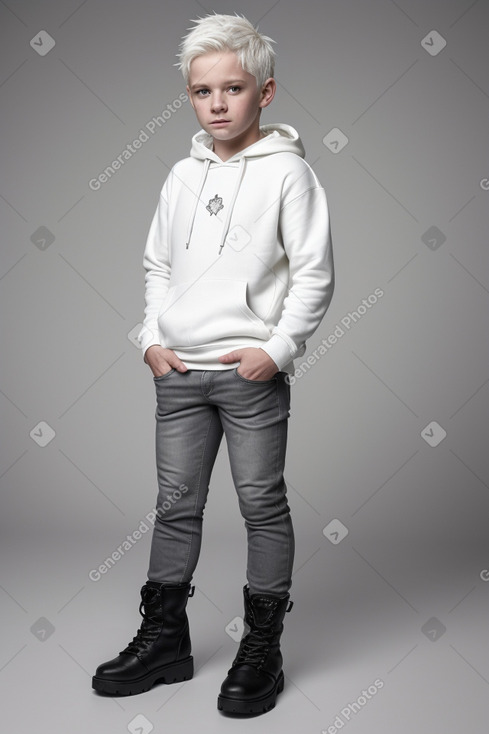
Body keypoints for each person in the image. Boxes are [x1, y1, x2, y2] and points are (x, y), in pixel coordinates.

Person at [92, 12, 334, 715]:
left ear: (265, 91)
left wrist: (277, 349)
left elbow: (314, 273)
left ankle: (263, 647)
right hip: (180, 375)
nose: (218, 103)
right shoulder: (180, 174)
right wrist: (149, 340)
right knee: (175, 506)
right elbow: (157, 264)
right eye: (203, 92)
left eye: (233, 88)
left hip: (247, 375)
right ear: (190, 98)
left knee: (261, 503)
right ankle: (164, 636)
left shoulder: (290, 173)